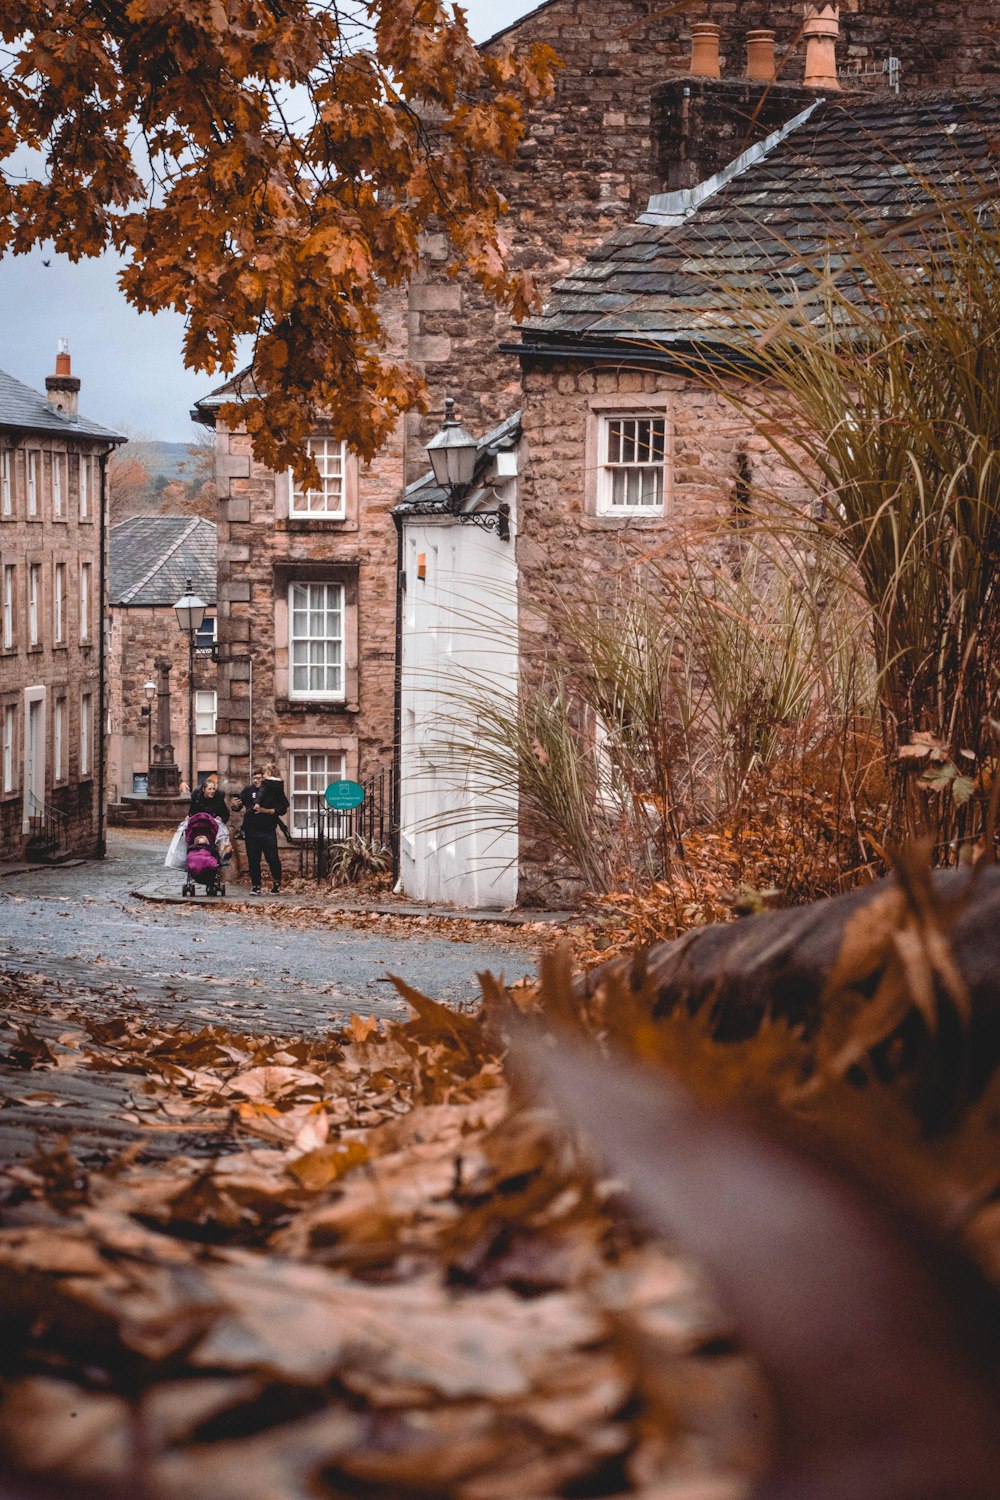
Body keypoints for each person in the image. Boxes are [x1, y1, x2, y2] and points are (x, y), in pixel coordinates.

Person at [242, 763, 288, 894]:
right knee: (253, 860)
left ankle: (277, 882)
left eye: (259, 778)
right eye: (254, 778)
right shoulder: (248, 790)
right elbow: (237, 806)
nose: (256, 780)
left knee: (272, 858)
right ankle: (256, 885)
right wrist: (235, 805)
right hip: (251, 831)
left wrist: (266, 810)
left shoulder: (273, 790)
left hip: (268, 830)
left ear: (265, 779)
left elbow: (283, 808)